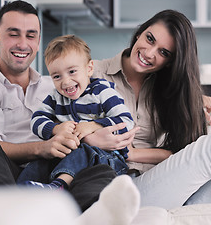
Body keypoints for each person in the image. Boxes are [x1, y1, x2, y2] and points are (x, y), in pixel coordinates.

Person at [74, 9, 211, 209]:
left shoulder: (166, 88)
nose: (149, 53)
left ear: (171, 61)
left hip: (163, 183)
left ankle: (190, 207)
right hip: (124, 190)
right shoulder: (91, 73)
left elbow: (179, 151)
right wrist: (121, 149)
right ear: (139, 33)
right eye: (149, 39)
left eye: (164, 52)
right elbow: (68, 133)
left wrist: (189, 97)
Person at [0, 0, 141, 224]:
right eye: (14, 34)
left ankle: (74, 213)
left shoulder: (57, 85)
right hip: (11, 174)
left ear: (38, 43)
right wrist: (44, 148)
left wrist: (94, 131)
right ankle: (7, 210)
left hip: (61, 170)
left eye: (31, 35)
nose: (23, 43)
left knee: (103, 172)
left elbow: (109, 122)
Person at [17, 34, 135, 189]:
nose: (66, 81)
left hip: (106, 158)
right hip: (69, 154)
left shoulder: (102, 92)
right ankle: (21, 192)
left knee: (83, 151)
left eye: (72, 71)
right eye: (57, 76)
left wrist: (93, 126)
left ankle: (58, 186)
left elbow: (126, 121)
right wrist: (55, 128)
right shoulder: (56, 97)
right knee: (43, 158)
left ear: (89, 69)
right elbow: (37, 119)